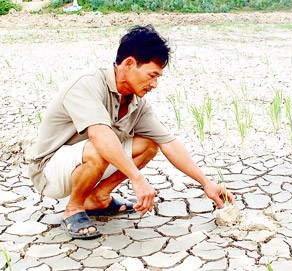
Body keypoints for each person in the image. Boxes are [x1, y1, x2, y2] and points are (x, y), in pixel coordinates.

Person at [29, 25, 235, 239]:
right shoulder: (88, 83)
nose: (154, 84)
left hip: (82, 163)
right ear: (129, 63)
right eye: (151, 75)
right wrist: (137, 178)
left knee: (148, 145)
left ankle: (98, 198)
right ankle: (74, 209)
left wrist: (206, 183)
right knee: (100, 146)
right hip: (50, 171)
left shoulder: (137, 103)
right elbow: (99, 134)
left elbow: (169, 143)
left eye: (158, 78)